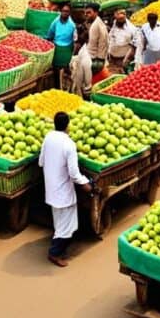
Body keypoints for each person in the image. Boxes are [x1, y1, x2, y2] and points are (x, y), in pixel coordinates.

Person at [39, 112, 91, 266]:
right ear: (68, 125)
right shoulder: (69, 144)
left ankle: (58, 248)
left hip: (51, 188)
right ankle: (55, 254)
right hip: (63, 191)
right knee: (66, 226)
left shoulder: (48, 137)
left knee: (59, 221)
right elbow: (74, 174)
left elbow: (41, 162)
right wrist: (86, 184)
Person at [46, 3, 76, 86]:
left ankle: (65, 87)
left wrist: (72, 53)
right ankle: (57, 86)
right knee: (56, 69)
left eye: (67, 11)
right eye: (63, 11)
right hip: (57, 48)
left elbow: (75, 40)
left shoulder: (72, 25)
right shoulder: (55, 22)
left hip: (67, 49)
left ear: (69, 13)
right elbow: (50, 33)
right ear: (60, 11)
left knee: (66, 70)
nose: (64, 13)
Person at [106, 8, 136, 74]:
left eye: (122, 18)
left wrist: (127, 59)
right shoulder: (115, 23)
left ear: (125, 17)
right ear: (115, 17)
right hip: (112, 59)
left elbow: (134, 46)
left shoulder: (131, 29)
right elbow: (111, 37)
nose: (120, 20)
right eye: (118, 18)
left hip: (123, 60)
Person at [84, 3, 109, 77]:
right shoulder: (94, 23)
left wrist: (99, 60)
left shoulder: (98, 25)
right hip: (91, 58)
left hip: (95, 60)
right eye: (85, 12)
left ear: (96, 13)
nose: (86, 14)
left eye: (89, 12)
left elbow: (104, 43)